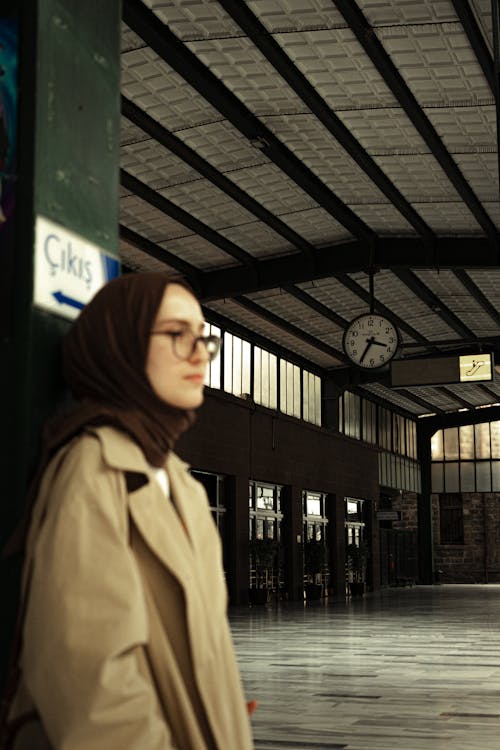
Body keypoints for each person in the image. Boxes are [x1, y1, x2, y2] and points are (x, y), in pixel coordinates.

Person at [4, 273, 255, 749]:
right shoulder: (94, 469)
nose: (200, 353)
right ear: (120, 345)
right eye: (177, 336)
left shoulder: (179, 479)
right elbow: (93, 686)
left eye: (203, 338)